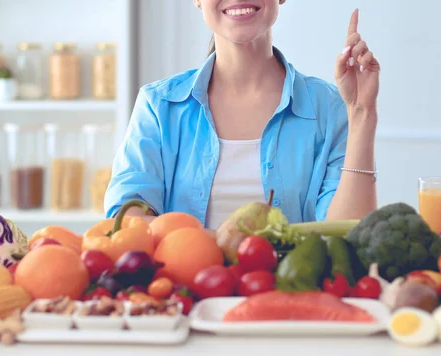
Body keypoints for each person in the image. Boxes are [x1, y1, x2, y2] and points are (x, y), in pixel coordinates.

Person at [104, 0, 380, 232]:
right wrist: (226, 245)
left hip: (292, 294)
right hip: (187, 295)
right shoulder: (158, 106)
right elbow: (127, 220)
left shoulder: (329, 107)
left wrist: (362, 112)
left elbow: (348, 233)